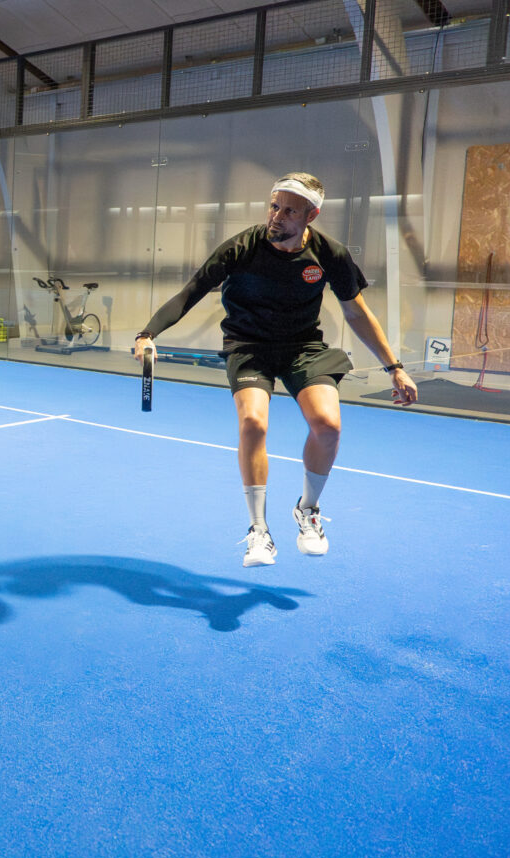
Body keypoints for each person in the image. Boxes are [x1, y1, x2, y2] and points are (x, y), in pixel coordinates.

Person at [132, 172, 418, 568]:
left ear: (310, 216)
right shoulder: (242, 248)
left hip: (303, 346)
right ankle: (258, 530)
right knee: (253, 422)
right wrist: (148, 334)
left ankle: (308, 510)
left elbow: (356, 311)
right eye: (274, 206)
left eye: (288, 210)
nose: (277, 216)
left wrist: (395, 367)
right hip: (249, 345)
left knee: (328, 426)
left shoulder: (328, 254)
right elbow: (191, 291)